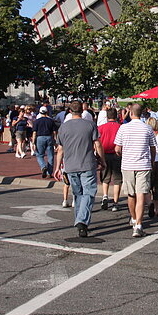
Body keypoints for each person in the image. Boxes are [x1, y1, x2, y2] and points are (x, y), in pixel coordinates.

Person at [53, 100, 105, 238]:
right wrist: (102, 160)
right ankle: (82, 220)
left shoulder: (63, 127)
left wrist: (57, 167)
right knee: (88, 193)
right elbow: (97, 144)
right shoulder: (90, 125)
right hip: (87, 164)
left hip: (70, 165)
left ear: (70, 111)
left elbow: (60, 149)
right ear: (82, 110)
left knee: (78, 194)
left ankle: (80, 220)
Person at [114, 103, 156, 238]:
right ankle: (138, 224)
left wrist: (122, 154)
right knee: (141, 194)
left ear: (131, 113)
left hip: (128, 165)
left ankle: (133, 218)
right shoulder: (147, 129)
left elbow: (117, 148)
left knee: (130, 195)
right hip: (143, 165)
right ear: (142, 113)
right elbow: (153, 148)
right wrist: (152, 161)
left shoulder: (123, 128)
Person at [97, 108, 122, 212]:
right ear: (116, 116)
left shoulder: (101, 127)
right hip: (117, 154)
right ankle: (115, 202)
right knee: (117, 180)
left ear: (107, 117)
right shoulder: (120, 127)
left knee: (105, 178)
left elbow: (97, 142)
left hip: (104, 153)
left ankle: (105, 196)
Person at [33, 106, 57, 182]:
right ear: (47, 112)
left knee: (39, 155)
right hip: (49, 137)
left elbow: (34, 132)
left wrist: (33, 142)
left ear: (40, 112)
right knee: (50, 155)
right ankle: (49, 172)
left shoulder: (37, 121)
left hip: (40, 137)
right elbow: (54, 132)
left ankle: (43, 167)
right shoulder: (51, 121)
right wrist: (55, 140)